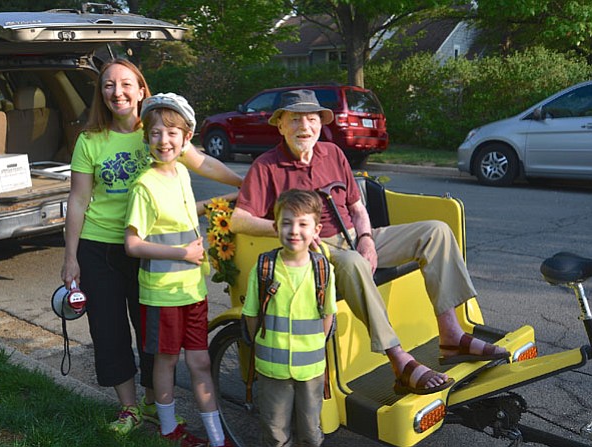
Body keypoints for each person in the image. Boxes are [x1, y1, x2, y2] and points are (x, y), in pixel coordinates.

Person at [230, 89, 509, 395]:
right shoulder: (267, 166)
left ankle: (451, 335)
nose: (304, 127)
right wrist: (290, 231)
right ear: (280, 125)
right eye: (295, 119)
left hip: (355, 237)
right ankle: (399, 360)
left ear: (321, 124)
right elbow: (239, 220)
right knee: (352, 263)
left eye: (311, 119)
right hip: (314, 250)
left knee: (436, 231)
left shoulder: (333, 154)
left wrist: (367, 239)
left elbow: (356, 207)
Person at [60, 59, 242, 436]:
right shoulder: (90, 140)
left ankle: (151, 400)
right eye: (108, 85)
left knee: (152, 334)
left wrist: (247, 183)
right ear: (101, 93)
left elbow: (203, 162)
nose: (117, 92)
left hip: (151, 250)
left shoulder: (160, 129)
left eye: (126, 84)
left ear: (142, 90)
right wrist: (71, 258)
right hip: (101, 248)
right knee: (109, 331)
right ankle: (128, 408)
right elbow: (78, 200)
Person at [124, 92, 232, 447]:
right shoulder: (144, 185)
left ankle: (217, 439)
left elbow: (185, 214)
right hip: (162, 294)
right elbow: (133, 244)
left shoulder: (183, 173)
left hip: (192, 291)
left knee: (200, 363)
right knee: (166, 362)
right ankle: (170, 432)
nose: (163, 140)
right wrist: (181, 252)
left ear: (187, 139)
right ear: (147, 139)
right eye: (155, 133)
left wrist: (224, 201)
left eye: (172, 133)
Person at [242, 189, 337, 447]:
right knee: (275, 430)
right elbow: (251, 315)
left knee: (310, 430)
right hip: (272, 368)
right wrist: (264, 346)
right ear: (276, 227)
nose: (294, 230)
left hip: (311, 370)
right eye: (286, 223)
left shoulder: (322, 269)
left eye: (303, 224)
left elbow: (328, 315)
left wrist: (315, 346)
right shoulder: (264, 268)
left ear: (316, 229)